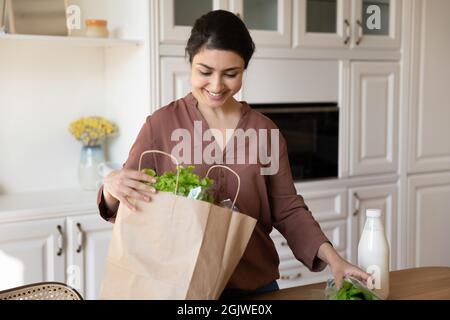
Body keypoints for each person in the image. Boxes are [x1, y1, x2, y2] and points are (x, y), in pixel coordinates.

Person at [97, 10, 369, 299]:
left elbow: (288, 209)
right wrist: (112, 186)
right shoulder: (161, 124)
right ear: (190, 62)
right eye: (204, 72)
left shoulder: (265, 131)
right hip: (179, 287)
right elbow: (127, 199)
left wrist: (334, 259)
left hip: (255, 287)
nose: (216, 86)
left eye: (230, 74)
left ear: (244, 69)